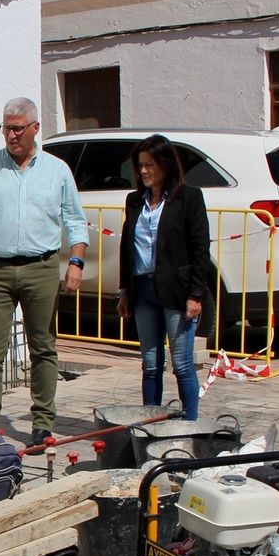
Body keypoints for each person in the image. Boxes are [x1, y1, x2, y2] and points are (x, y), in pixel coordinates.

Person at [0, 97, 89, 446]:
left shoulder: (57, 170)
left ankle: (42, 421)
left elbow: (75, 221)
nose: (11, 135)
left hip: (41, 267)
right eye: (6, 128)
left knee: (43, 347)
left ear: (35, 129)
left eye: (17, 128)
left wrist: (75, 262)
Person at [116, 135, 215, 421]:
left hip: (177, 291)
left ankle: (190, 423)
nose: (144, 171)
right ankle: (152, 421)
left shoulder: (189, 198)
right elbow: (127, 247)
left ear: (166, 165)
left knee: (182, 363)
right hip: (143, 290)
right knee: (150, 363)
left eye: (150, 165)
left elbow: (200, 249)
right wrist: (124, 290)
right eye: (140, 165)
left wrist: (195, 295)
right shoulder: (135, 201)